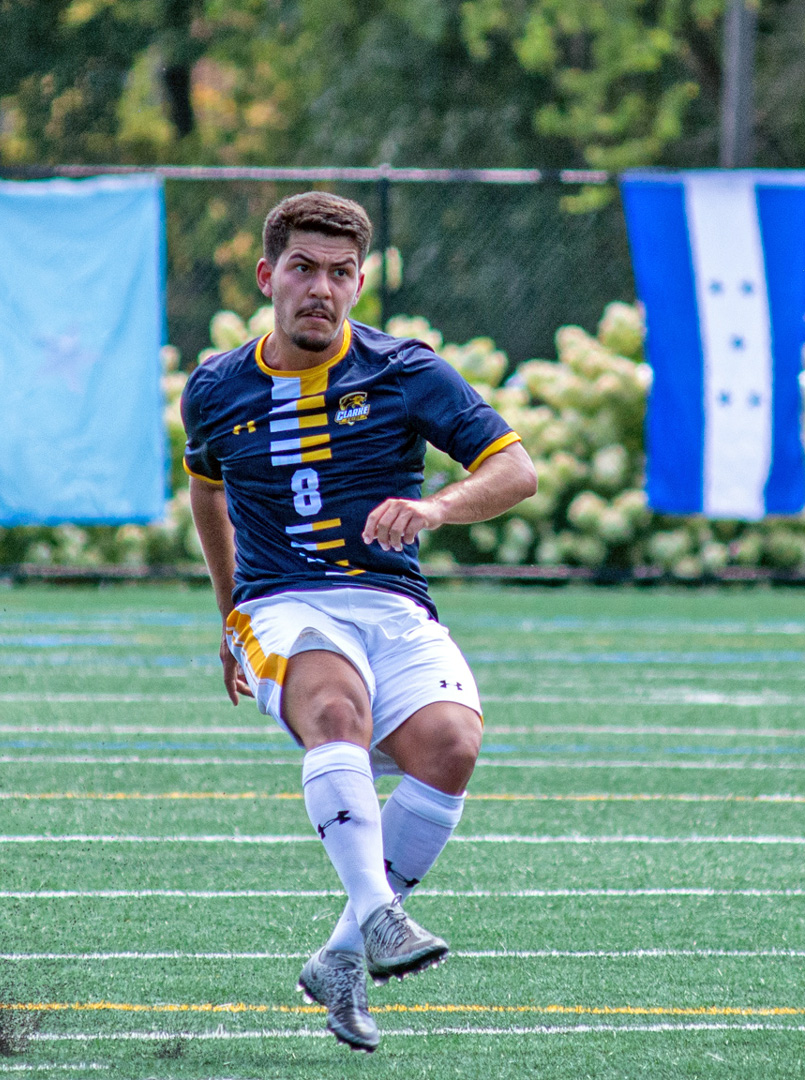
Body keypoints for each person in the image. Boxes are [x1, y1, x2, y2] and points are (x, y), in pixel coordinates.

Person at [182, 191, 538, 1052]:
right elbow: (207, 491)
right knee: (337, 711)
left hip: (392, 604)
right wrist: (228, 616)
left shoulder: (406, 371)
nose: (321, 289)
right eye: (303, 268)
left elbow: (516, 469)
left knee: (452, 745)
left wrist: (438, 508)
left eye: (341, 274)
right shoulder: (216, 389)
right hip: (282, 605)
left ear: (360, 283)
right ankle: (381, 917)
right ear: (268, 276)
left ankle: (341, 957)